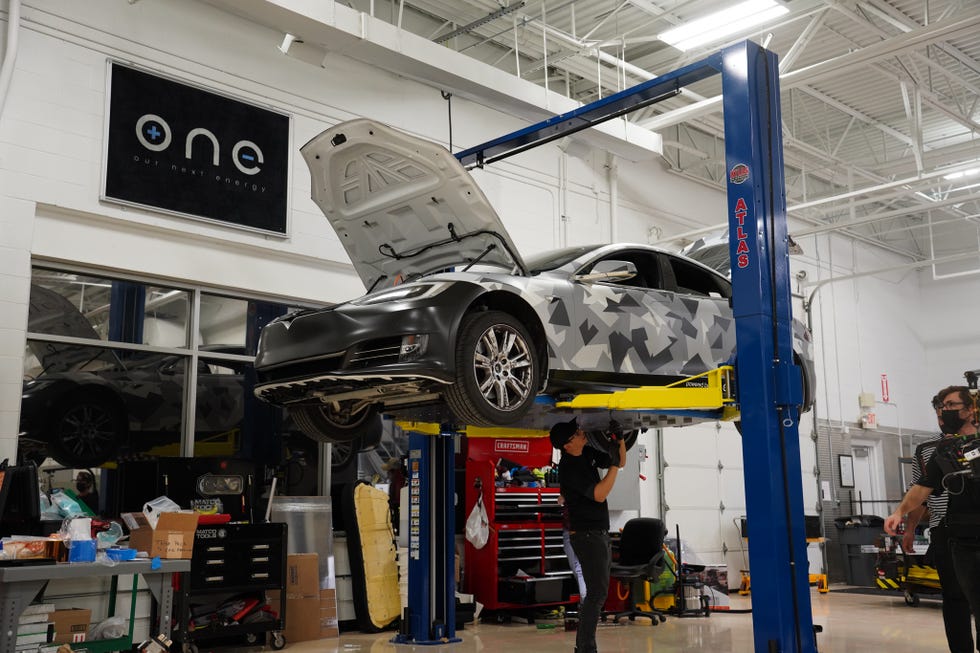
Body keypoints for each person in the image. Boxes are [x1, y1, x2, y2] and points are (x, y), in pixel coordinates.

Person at [885, 386, 980, 652]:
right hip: (946, 529)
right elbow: (921, 489)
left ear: (970, 408)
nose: (943, 411)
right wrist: (905, 521)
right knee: (954, 597)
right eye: (940, 406)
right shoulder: (934, 450)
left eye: (950, 405)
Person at [550, 417, 626, 653]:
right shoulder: (569, 469)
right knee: (596, 593)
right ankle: (585, 648)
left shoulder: (586, 453)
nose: (582, 432)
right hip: (586, 536)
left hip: (597, 533)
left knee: (596, 593)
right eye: (577, 433)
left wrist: (620, 440)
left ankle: (584, 647)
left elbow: (620, 462)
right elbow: (600, 494)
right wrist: (612, 465)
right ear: (567, 444)